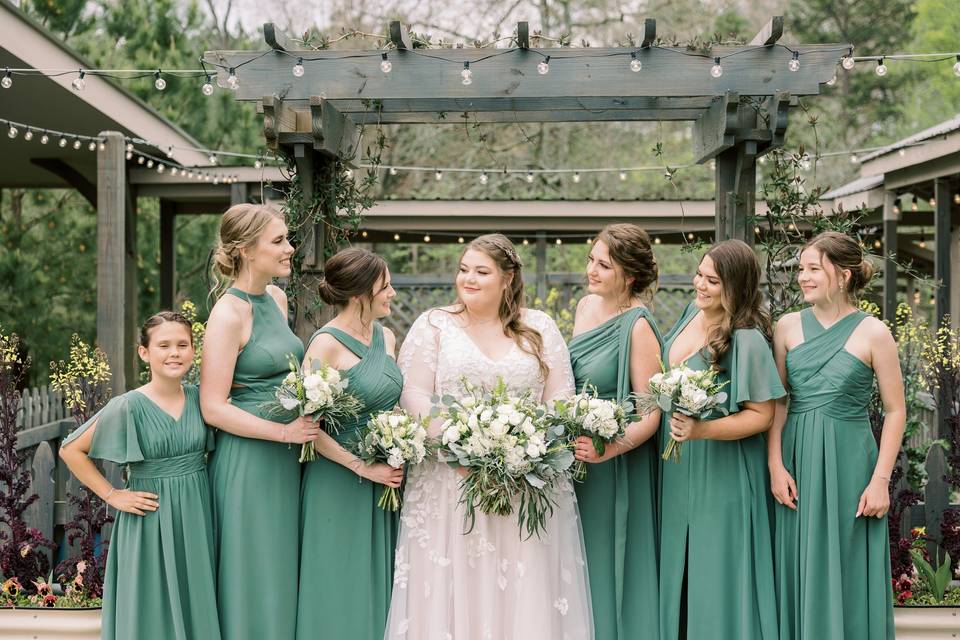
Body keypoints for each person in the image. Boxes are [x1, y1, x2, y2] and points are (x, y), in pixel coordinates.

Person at [385, 234, 594, 639]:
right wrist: (461, 444)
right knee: (453, 585)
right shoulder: (434, 325)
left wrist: (524, 448)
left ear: (508, 279)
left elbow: (561, 398)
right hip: (452, 481)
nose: (469, 279)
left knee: (525, 586)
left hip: (526, 483)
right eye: (464, 269)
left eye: (481, 271)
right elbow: (413, 395)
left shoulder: (541, 327)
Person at [769, 231, 903, 639]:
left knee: (847, 564)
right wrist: (775, 464)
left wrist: (880, 481)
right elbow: (779, 402)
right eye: (801, 269)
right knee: (796, 564)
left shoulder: (874, 332)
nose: (802, 278)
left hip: (851, 463)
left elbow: (896, 410)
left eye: (813, 269)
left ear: (842, 275)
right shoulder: (786, 327)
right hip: (796, 462)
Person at [60, 311, 220, 640]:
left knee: (197, 601)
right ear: (144, 352)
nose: (174, 353)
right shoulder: (128, 405)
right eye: (163, 345)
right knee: (151, 606)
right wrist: (111, 494)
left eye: (182, 344)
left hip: (197, 514)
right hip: (151, 518)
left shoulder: (201, 399)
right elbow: (69, 449)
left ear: (193, 350)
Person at [200, 204, 319, 640]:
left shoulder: (276, 298)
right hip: (249, 461)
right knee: (254, 571)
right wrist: (283, 431)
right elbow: (213, 407)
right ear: (247, 250)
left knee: (281, 567)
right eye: (278, 241)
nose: (290, 249)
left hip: (286, 461)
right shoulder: (227, 315)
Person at [659, 239, 784, 640]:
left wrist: (704, 429)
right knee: (682, 572)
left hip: (724, 472)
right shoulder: (687, 315)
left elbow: (762, 415)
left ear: (735, 286)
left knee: (715, 574)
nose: (700, 284)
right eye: (699, 274)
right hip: (679, 469)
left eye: (712, 280)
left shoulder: (746, 337)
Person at [296, 248, 404, 640]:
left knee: (382, 584)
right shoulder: (324, 345)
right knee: (338, 585)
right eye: (386, 285)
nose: (392, 293)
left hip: (384, 480)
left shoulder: (387, 336)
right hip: (338, 482)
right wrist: (361, 466)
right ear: (361, 293)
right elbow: (307, 427)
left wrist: (399, 445)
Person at [568, 224, 662, 639]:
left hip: (615, 464)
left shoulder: (639, 326)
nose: (592, 270)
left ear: (629, 275)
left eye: (603, 265)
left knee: (609, 563)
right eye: (592, 259)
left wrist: (609, 448)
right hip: (575, 459)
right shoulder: (585, 307)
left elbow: (651, 413)